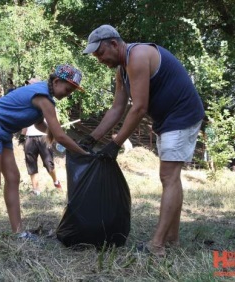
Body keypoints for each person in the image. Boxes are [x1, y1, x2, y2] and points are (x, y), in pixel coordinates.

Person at [80, 25, 205, 257]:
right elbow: (117, 108)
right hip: (167, 120)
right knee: (171, 178)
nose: (99, 59)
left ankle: (157, 245)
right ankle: (172, 239)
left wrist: (116, 144)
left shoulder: (137, 57)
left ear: (115, 44)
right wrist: (91, 138)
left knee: (168, 177)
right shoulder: (122, 70)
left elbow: (138, 108)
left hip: (182, 115)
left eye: (100, 53)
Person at [0, 64, 88, 245]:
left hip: (2, 129)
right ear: (56, 81)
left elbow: (40, 125)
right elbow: (60, 134)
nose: (68, 94)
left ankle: (19, 233)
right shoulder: (43, 97)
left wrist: (52, 137)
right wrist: (83, 153)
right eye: (68, 89)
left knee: (13, 178)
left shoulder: (42, 93)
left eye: (72, 91)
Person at [19, 123, 62, 195]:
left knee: (49, 163)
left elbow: (55, 121)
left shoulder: (49, 110)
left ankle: (56, 182)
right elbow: (25, 121)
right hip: (29, 138)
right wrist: (22, 135)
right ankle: (36, 190)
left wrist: (55, 134)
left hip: (45, 137)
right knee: (31, 163)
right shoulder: (28, 111)